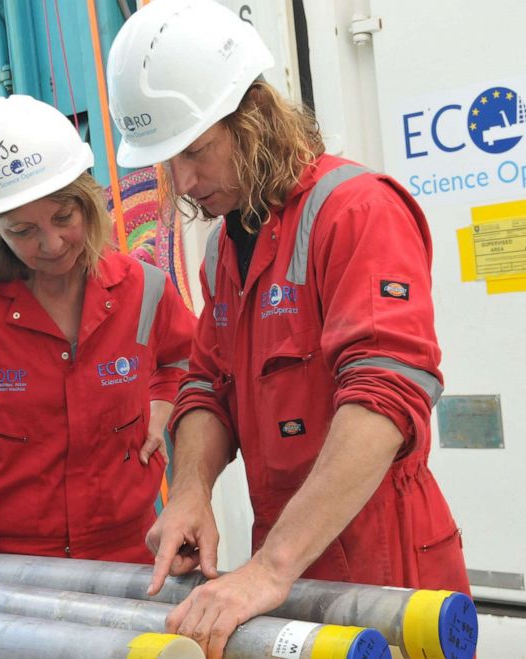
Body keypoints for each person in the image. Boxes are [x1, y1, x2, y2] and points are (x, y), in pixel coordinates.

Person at [106, 0, 470, 655]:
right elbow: (206, 387)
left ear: (252, 119)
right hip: (284, 565)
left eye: (195, 151)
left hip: (383, 563)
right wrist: (190, 490)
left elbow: (384, 399)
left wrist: (270, 568)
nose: (183, 182)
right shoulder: (224, 248)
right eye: (168, 162)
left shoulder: (356, 212)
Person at [0, 95, 195, 562]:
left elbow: (190, 359)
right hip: (10, 566)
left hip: (128, 553)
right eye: (22, 231)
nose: (51, 243)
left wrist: (164, 400)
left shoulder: (145, 290)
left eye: (64, 217)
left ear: (88, 201)